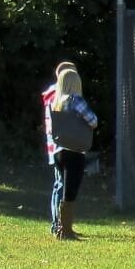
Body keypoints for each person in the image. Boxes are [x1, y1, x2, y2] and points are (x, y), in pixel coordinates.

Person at [45, 68, 99, 240]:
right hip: (74, 151)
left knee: (63, 188)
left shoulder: (55, 102)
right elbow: (93, 120)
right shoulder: (75, 100)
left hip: (59, 150)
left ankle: (61, 227)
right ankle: (66, 230)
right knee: (70, 191)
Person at [41, 61, 77, 237]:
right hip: (60, 146)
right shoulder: (59, 94)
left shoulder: (51, 93)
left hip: (55, 146)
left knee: (60, 183)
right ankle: (58, 224)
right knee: (60, 184)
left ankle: (60, 223)